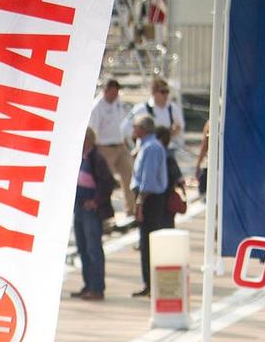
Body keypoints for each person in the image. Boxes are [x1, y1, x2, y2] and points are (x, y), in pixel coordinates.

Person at [71, 128, 115, 302]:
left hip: (91, 209)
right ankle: (88, 285)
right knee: (82, 247)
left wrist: (96, 201)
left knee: (93, 248)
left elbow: (107, 182)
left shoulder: (97, 158)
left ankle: (97, 288)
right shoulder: (81, 157)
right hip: (79, 207)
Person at [130, 115, 169, 298]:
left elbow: (149, 178)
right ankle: (148, 283)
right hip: (148, 197)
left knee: (148, 242)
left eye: (136, 127)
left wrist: (140, 202)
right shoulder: (145, 145)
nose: (133, 130)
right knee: (145, 243)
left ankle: (151, 284)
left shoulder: (151, 147)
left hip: (150, 199)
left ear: (143, 129)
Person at [88, 79, 135, 218]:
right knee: (105, 181)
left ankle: (130, 210)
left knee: (129, 174)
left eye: (116, 92)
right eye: (112, 92)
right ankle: (105, 214)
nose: (115, 95)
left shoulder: (118, 103)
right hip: (104, 147)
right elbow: (92, 131)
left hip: (120, 145)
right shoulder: (97, 107)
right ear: (106, 91)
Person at [122, 76, 184, 147]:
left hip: (168, 150)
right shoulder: (141, 108)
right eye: (163, 92)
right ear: (154, 92)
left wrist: (171, 133)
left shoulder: (172, 109)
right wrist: (141, 135)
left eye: (167, 92)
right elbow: (124, 128)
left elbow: (180, 127)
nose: (166, 95)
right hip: (147, 149)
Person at [156, 125, 186, 227]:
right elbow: (180, 179)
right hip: (169, 199)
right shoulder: (170, 157)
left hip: (156, 199)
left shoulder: (155, 155)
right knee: (168, 225)